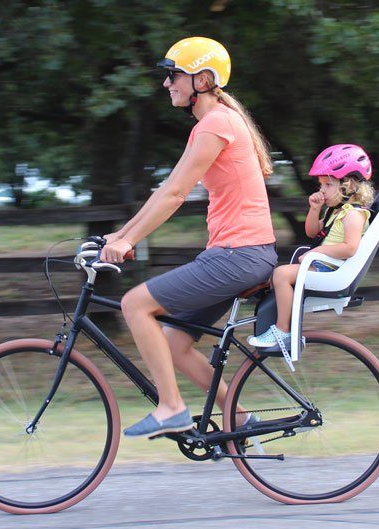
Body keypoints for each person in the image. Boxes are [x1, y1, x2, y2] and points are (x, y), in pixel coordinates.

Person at [99, 37, 277, 438]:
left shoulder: (216, 124)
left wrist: (128, 243)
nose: (167, 84)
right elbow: (166, 190)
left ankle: (172, 407)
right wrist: (122, 234)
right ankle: (242, 420)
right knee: (175, 341)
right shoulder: (213, 124)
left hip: (239, 256)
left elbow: (177, 195)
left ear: (203, 79)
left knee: (134, 305)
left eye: (173, 75)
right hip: (239, 255)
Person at [247, 144, 376, 350]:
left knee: (281, 275)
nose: (322, 190)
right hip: (325, 264)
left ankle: (282, 330)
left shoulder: (353, 214)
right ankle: (275, 320)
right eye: (321, 185)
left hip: (332, 268)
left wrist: (316, 252)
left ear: (349, 185)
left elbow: (350, 248)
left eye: (327, 185)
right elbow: (312, 233)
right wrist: (315, 209)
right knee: (276, 276)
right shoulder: (336, 211)